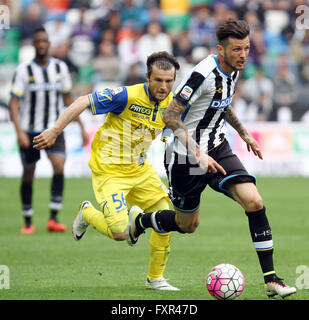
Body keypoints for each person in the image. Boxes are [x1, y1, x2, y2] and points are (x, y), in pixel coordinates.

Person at [126, 19, 297, 298]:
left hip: (218, 148)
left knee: (254, 202)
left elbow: (223, 104)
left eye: (246, 48)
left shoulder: (235, 70)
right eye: (237, 49)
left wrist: (244, 134)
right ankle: (141, 222)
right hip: (185, 158)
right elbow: (170, 116)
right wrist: (197, 153)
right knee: (187, 225)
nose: (243, 55)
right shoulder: (201, 75)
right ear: (221, 49)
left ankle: (272, 280)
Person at [32, 52, 222, 290]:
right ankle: (88, 213)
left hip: (141, 171)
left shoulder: (172, 104)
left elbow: (191, 125)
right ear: (147, 77)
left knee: (165, 218)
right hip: (109, 171)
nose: (163, 86)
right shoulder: (125, 95)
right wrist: (55, 130)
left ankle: (156, 279)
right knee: (121, 232)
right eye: (158, 80)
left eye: (168, 81)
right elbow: (82, 101)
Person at [9, 26, 88, 234]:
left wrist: (80, 125)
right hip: (30, 130)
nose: (42, 44)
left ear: (49, 43)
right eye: (38, 41)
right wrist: (18, 131)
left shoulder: (60, 68)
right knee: (28, 172)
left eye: (45, 41)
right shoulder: (23, 70)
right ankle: (28, 220)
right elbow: (14, 102)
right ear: (34, 44)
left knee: (59, 166)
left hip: (55, 128)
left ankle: (53, 218)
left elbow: (69, 99)